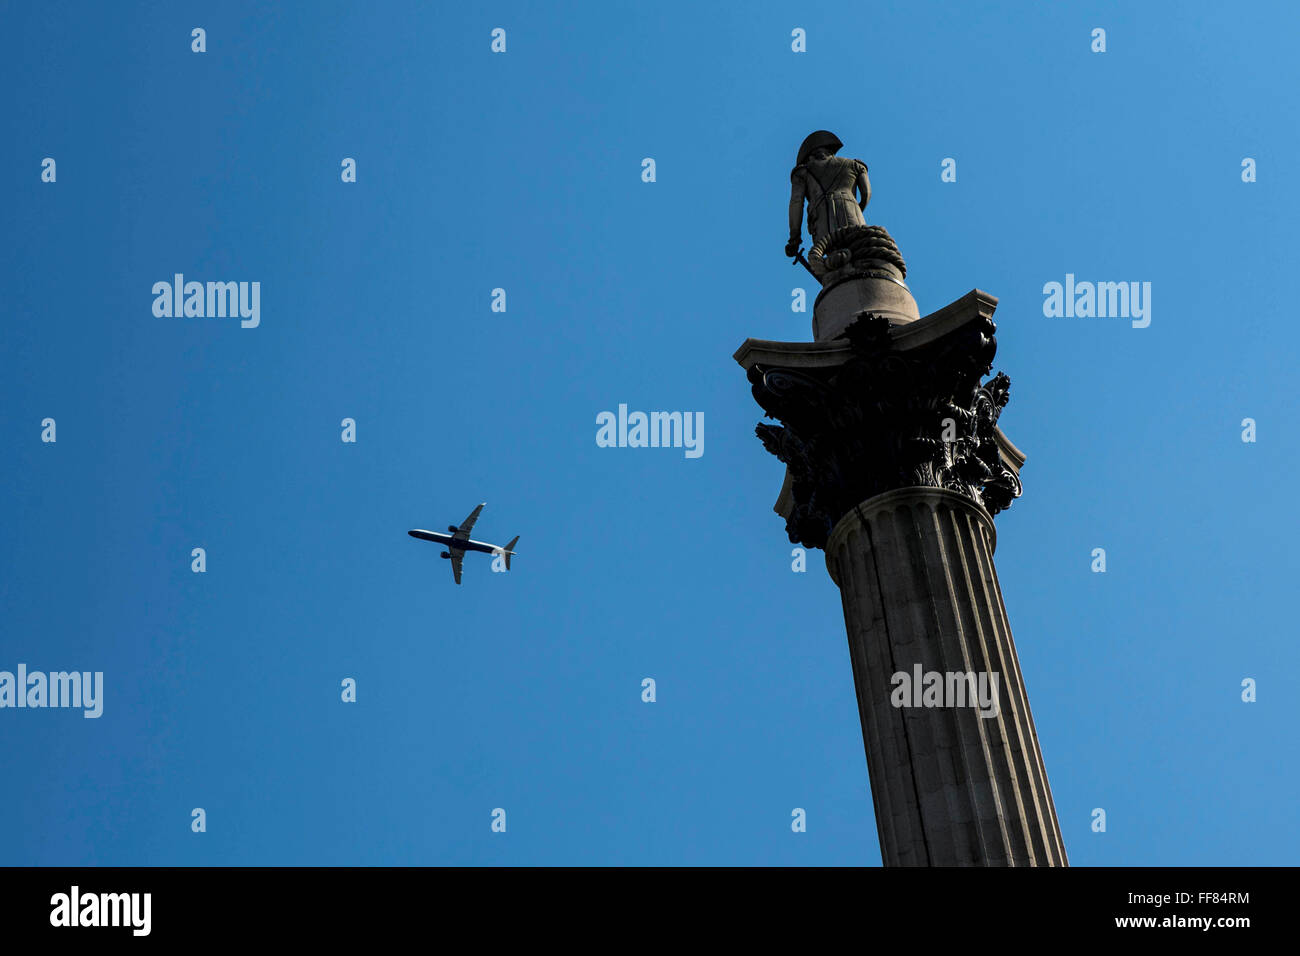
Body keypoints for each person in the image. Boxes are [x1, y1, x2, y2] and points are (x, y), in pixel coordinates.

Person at [785, 130, 871, 259]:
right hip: (853, 215)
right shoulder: (855, 165)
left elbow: (796, 203)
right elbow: (866, 194)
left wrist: (794, 239)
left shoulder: (802, 172)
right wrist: (857, 209)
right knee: (860, 256)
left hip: (823, 222)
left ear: (810, 156)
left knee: (835, 262)